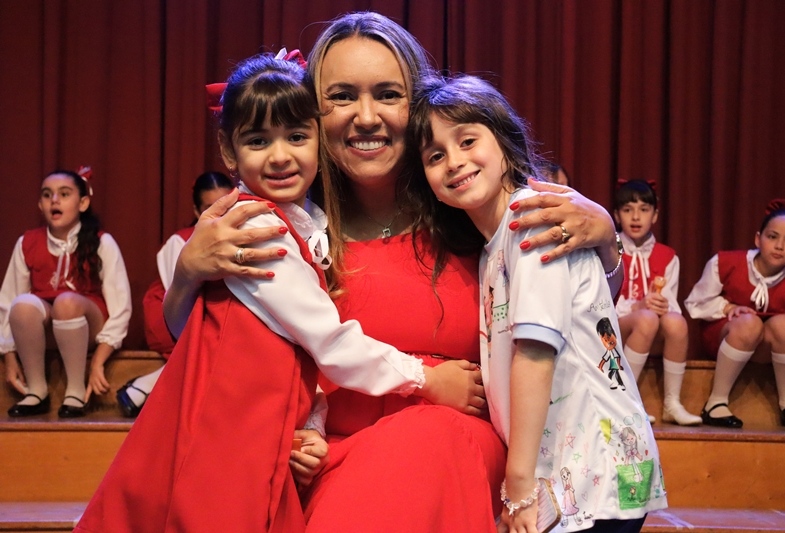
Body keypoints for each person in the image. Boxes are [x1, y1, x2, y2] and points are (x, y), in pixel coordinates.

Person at [164, 12, 623, 531]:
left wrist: (606, 243)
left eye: (387, 94)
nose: (366, 117)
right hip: (328, 465)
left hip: (456, 457)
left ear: (418, 104)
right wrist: (187, 276)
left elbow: (581, 313)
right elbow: (207, 345)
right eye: (341, 96)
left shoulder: (472, 203)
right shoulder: (287, 226)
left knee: (426, 440)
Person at [75, 50, 481, 533]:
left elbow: (292, 355)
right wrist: (426, 379)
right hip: (232, 433)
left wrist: (307, 427)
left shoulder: (302, 224)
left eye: (295, 136)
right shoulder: (257, 230)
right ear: (229, 151)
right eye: (258, 140)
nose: (281, 155)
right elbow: (326, 344)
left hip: (276, 436)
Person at [409, 72, 666, 533]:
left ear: (505, 145)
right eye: (435, 155)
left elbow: (535, 352)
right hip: (573, 470)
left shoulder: (531, 220)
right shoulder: (494, 243)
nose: (454, 161)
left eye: (467, 141)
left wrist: (518, 484)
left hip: (595, 472)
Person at [1, 167, 132, 418]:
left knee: (66, 302)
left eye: (64, 194)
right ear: (40, 205)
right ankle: (36, 390)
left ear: (83, 203)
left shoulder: (101, 241)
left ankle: (75, 390)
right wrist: (9, 356)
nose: (54, 200)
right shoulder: (27, 242)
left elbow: (121, 307)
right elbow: (8, 301)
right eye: (47, 195)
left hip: (87, 323)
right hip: (47, 328)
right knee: (22, 304)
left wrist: (98, 360)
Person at [116, 171, 233, 417]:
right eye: (210, 208)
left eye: (226, 205)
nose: (220, 214)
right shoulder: (181, 241)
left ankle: (142, 388)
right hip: (172, 315)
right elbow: (182, 296)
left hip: (212, 313)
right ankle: (143, 388)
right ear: (197, 211)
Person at [685, 199, 785, 429]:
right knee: (749, 323)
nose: (779, 246)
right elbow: (696, 303)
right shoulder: (726, 262)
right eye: (772, 237)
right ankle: (716, 402)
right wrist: (728, 308)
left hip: (770, 349)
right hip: (727, 338)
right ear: (758, 239)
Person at [612, 179, 702, 426]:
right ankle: (624, 400)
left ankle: (672, 402)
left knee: (676, 322)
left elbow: (670, 301)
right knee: (646, 318)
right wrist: (637, 306)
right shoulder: (609, 249)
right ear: (617, 216)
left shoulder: (668, 256)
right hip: (614, 327)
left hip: (650, 329)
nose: (636, 217)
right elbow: (602, 300)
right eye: (628, 210)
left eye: (644, 209)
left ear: (655, 215)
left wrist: (660, 305)